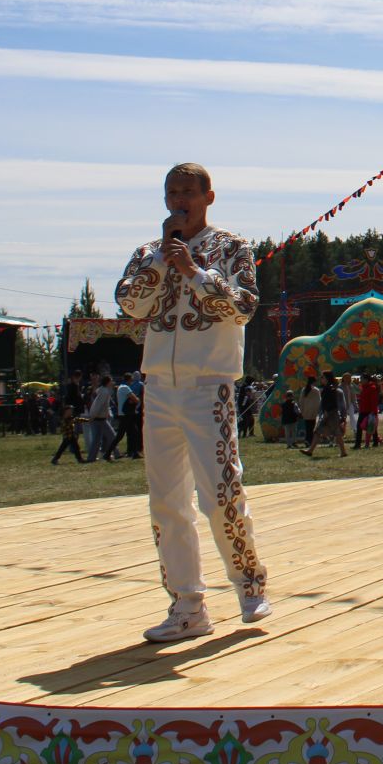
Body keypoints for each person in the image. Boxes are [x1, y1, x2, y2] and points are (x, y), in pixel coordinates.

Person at [116, 162, 271, 642]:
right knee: (166, 502)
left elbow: (243, 308)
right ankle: (186, 604)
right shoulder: (149, 253)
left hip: (211, 384)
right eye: (172, 192)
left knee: (221, 492)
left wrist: (196, 272)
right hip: (160, 385)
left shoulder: (232, 248)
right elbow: (129, 304)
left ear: (209, 196)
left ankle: (249, 583)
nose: (179, 198)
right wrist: (164, 261)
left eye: (188, 190)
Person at [84, 374, 117, 461]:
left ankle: (91, 458)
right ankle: (116, 454)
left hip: (98, 417)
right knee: (112, 436)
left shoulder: (101, 390)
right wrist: (93, 416)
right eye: (111, 381)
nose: (112, 382)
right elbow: (98, 405)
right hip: (100, 418)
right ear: (108, 382)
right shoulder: (105, 392)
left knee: (97, 439)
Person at [50, 397, 86, 464]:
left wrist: (87, 420)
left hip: (71, 436)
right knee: (62, 448)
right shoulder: (65, 420)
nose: (71, 412)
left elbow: (78, 420)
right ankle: (55, 459)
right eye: (70, 410)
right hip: (67, 436)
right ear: (66, 411)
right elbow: (65, 427)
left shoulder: (70, 418)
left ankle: (79, 459)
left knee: (76, 448)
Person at [357, 373, 382, 448]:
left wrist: (373, 412)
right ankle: (359, 444)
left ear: (366, 380)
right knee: (364, 427)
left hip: (369, 411)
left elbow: (374, 401)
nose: (360, 380)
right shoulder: (363, 387)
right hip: (363, 410)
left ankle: (375, 443)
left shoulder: (372, 388)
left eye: (361, 379)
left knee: (371, 427)